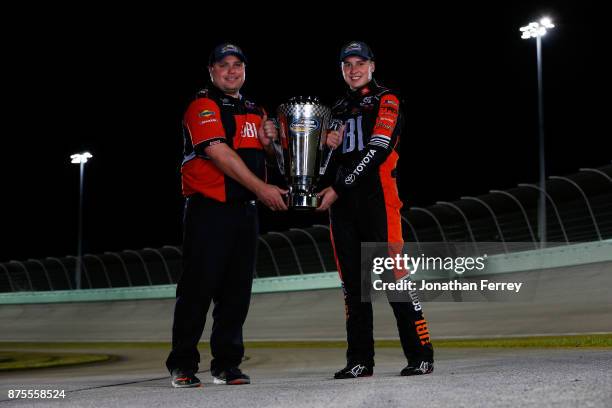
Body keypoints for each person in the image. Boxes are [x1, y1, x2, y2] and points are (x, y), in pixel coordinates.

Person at [166, 43, 287, 388]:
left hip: (244, 213)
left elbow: (277, 161)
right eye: (224, 65)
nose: (231, 71)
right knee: (197, 289)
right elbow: (219, 154)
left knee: (237, 292)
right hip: (209, 210)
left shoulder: (256, 109)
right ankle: (183, 364)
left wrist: (270, 145)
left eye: (238, 65)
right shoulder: (202, 105)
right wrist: (262, 190)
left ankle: (227, 364)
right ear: (211, 71)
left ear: (245, 70)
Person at [317, 41, 434, 378]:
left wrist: (338, 187)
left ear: (372, 65)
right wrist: (326, 150)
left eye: (360, 62)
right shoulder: (336, 109)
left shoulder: (387, 99)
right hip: (342, 210)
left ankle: (421, 355)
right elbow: (329, 165)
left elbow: (379, 148)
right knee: (352, 286)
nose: (353, 69)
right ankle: (359, 361)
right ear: (341, 69)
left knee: (394, 280)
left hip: (378, 201)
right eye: (347, 64)